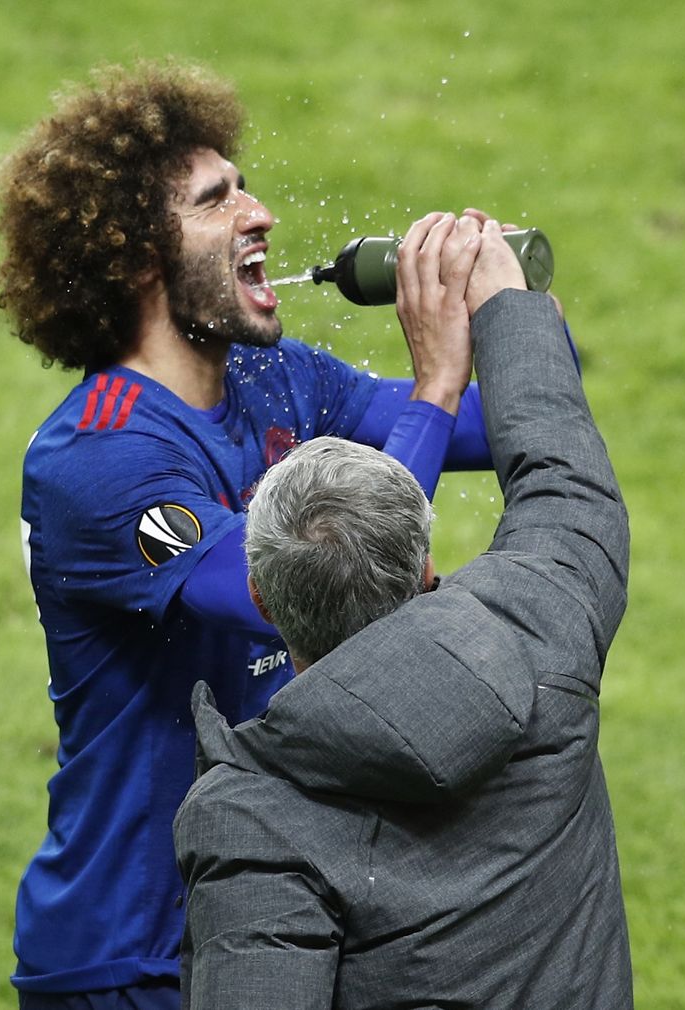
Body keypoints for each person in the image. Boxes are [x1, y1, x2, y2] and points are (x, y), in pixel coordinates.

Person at [0, 60, 500, 1008]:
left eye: (245, 184)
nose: (259, 212)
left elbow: (495, 425)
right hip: (132, 953)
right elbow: (296, 585)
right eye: (216, 200)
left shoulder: (279, 381)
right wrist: (433, 385)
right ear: (139, 258)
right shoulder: (97, 460)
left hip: (275, 910)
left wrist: (507, 314)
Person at [175, 217, 633, 1009]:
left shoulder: (255, 820)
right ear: (424, 565)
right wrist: (510, 308)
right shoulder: (545, 628)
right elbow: (566, 482)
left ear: (261, 597)